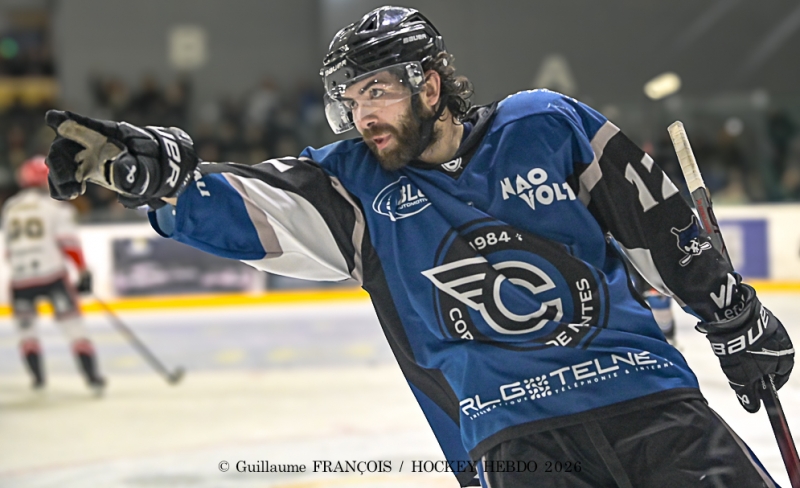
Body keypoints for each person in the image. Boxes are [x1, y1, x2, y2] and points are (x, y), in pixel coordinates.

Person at [42, 6, 793, 487]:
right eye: (351, 100)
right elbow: (251, 206)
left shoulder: (544, 123)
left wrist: (732, 315)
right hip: (517, 444)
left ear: (430, 86)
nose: (362, 116)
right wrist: (158, 180)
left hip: (649, 404)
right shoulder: (352, 185)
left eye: (377, 92)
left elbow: (654, 218)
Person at [2, 155, 105, 394]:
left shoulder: (10, 207)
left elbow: (8, 251)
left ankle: (37, 380)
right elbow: (69, 245)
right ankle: (93, 379)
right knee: (74, 328)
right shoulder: (56, 207)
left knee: (27, 333)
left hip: (20, 280)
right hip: (52, 277)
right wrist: (83, 272)